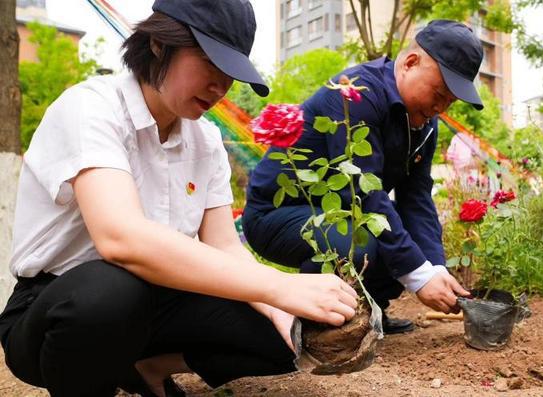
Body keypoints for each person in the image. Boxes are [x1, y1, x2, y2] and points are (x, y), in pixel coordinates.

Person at [0, 1, 358, 396]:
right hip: (59, 308)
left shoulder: (203, 139)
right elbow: (121, 239)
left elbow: (223, 245)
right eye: (210, 63)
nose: (221, 86)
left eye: (231, 74)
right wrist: (277, 284)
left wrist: (280, 304)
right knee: (111, 295)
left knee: (296, 331)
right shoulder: (92, 108)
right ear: (157, 44)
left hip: (156, 299)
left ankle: (146, 366)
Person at [243, 20, 482, 335]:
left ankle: (371, 311)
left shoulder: (425, 124)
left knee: (397, 240)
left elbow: (417, 198)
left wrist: (434, 267)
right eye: (439, 93)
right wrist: (418, 276)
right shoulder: (354, 94)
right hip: (276, 214)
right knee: (363, 238)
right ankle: (317, 323)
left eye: (449, 102)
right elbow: (360, 191)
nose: (440, 107)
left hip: (340, 214)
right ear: (411, 63)